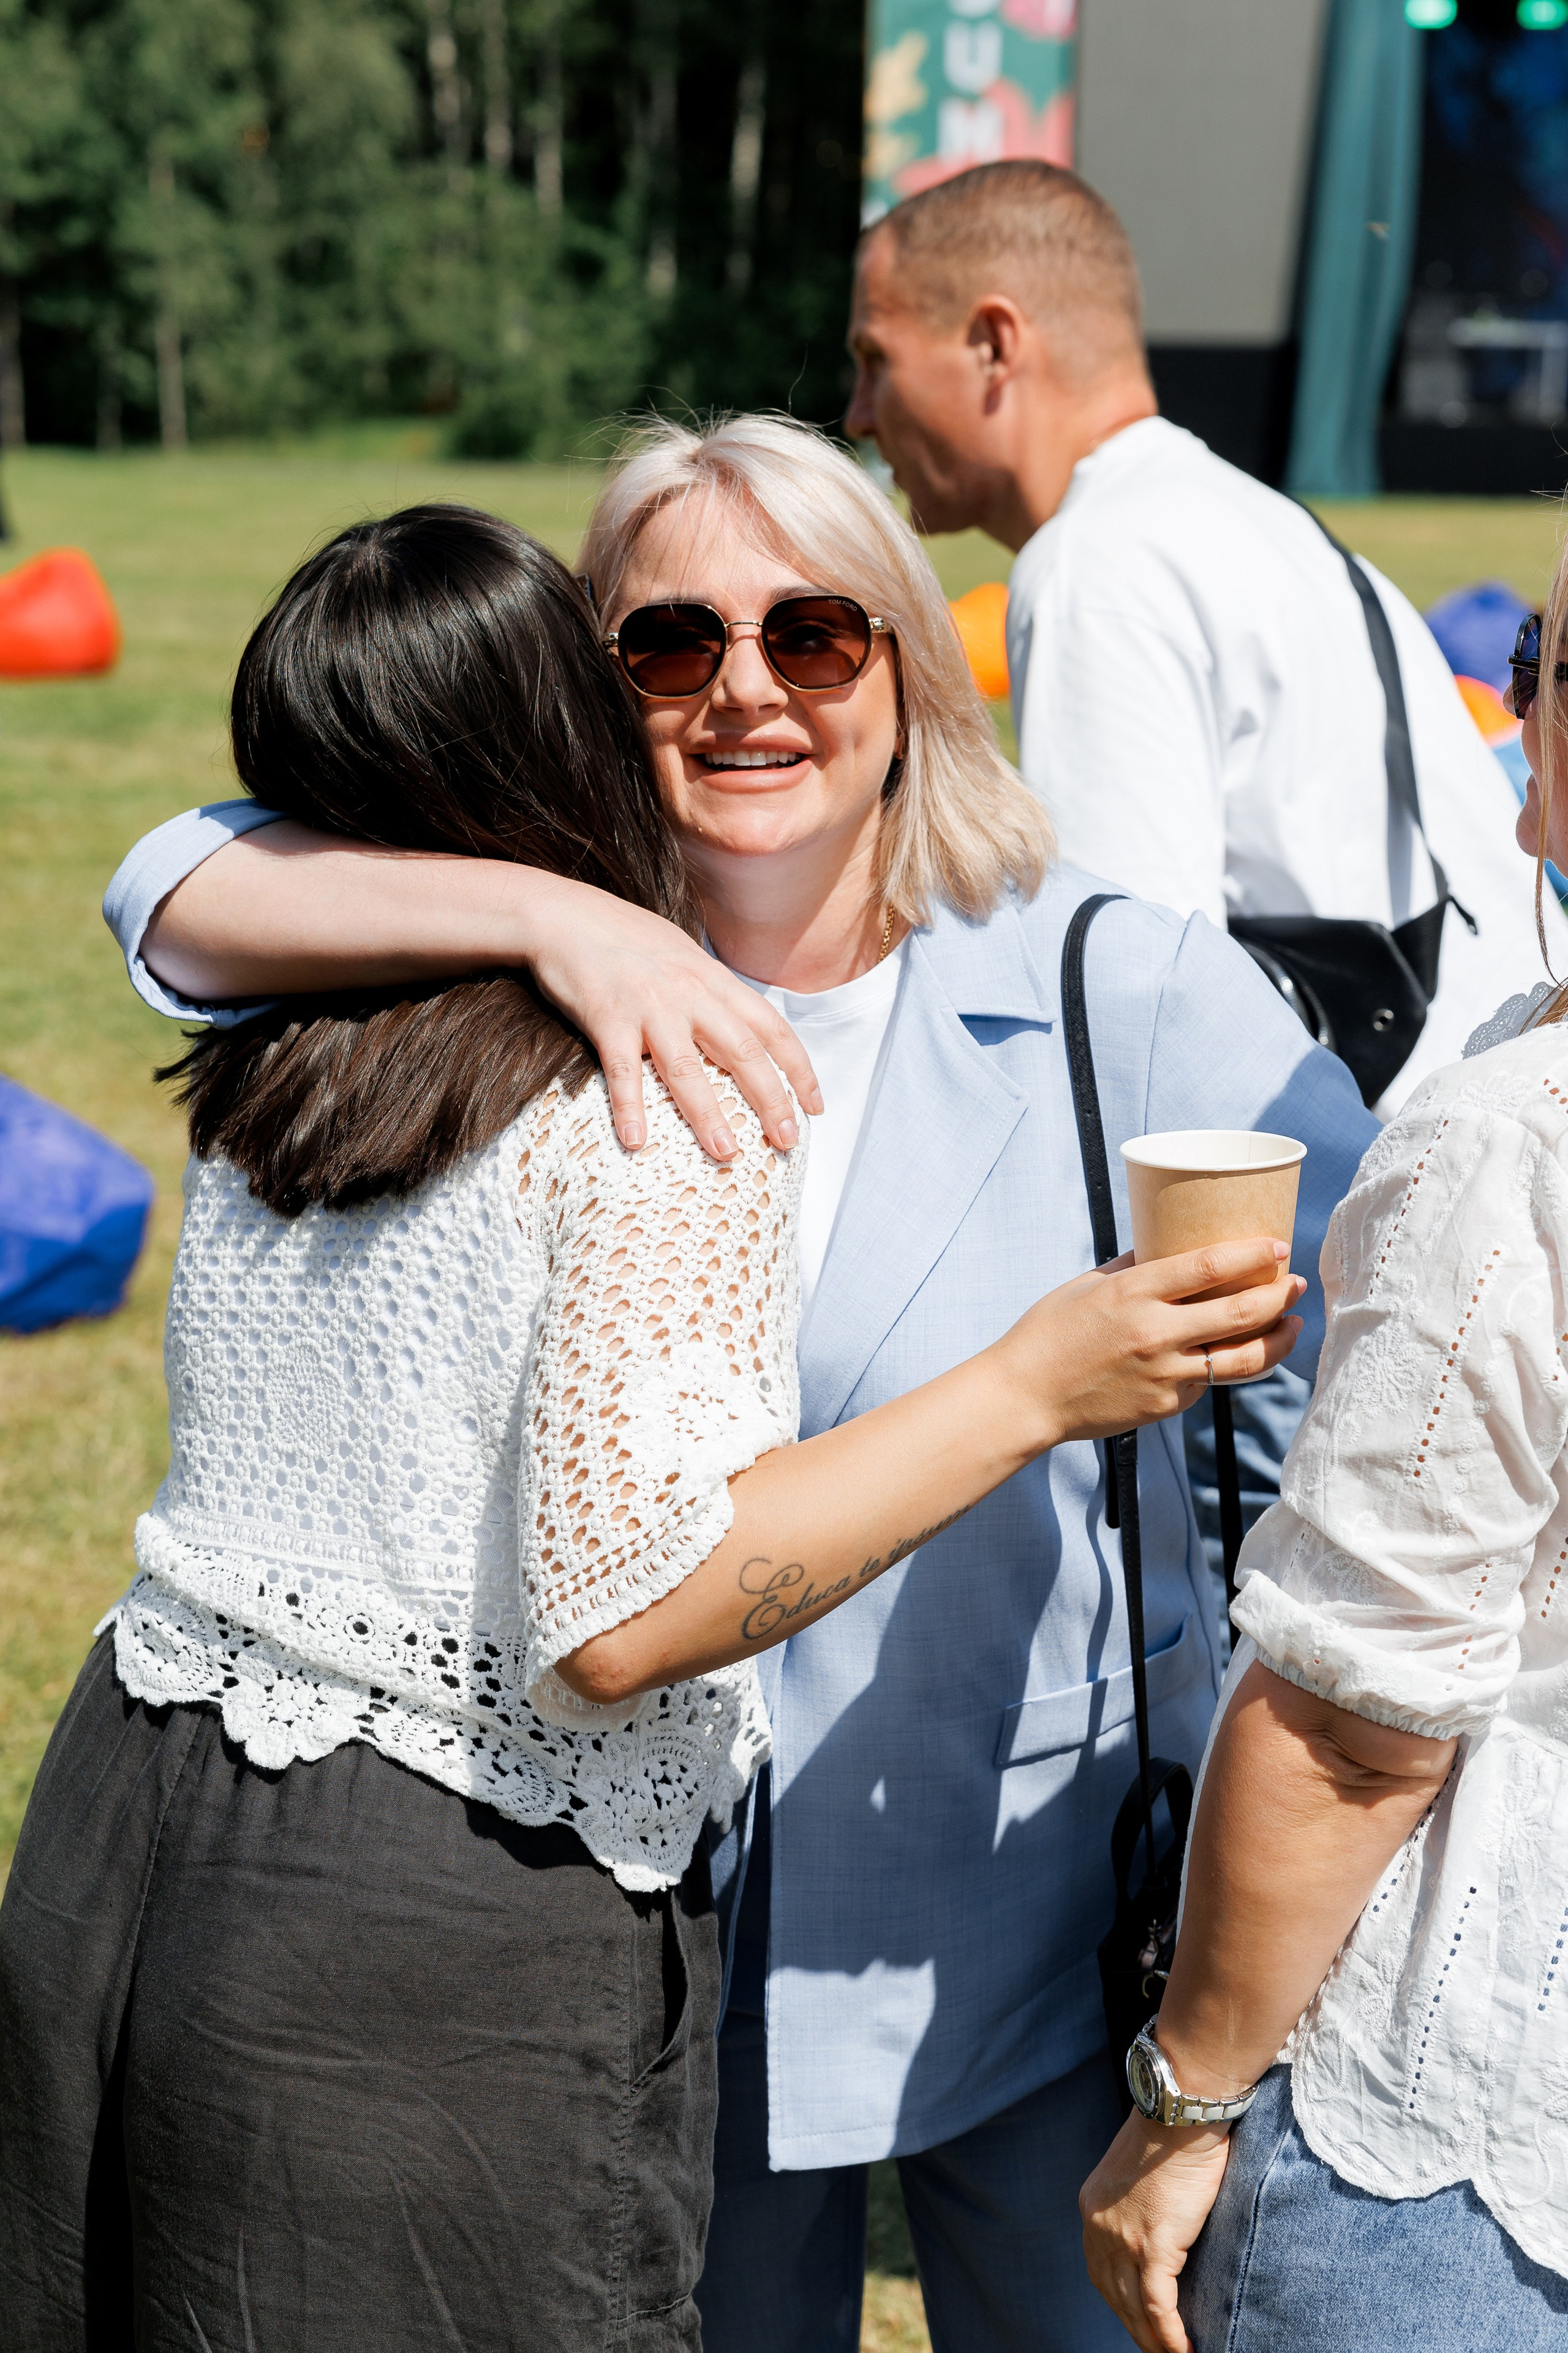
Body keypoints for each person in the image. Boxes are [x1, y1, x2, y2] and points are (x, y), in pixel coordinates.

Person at [96, 417, 1374, 2353]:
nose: (748, 688)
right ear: (587, 682)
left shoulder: (1131, 986)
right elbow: (164, 881)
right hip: (622, 1932)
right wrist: (556, 913)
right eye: (670, 645)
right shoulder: (516, 975)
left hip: (1022, 1925)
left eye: (819, 634)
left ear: (909, 671)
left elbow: (1338, 1465)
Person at [1078, 585, 1568, 2351]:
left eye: (1547, 674)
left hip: (1464, 2151)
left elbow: (1360, 1722)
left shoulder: (1511, 1146)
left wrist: (1184, 2102)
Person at [845, 157, 1564, 1122]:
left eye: (875, 361)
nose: (857, 414)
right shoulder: (1258, 521)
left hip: (1396, 1182)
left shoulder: (1097, 566)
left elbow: (1129, 1011)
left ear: (991, 344)